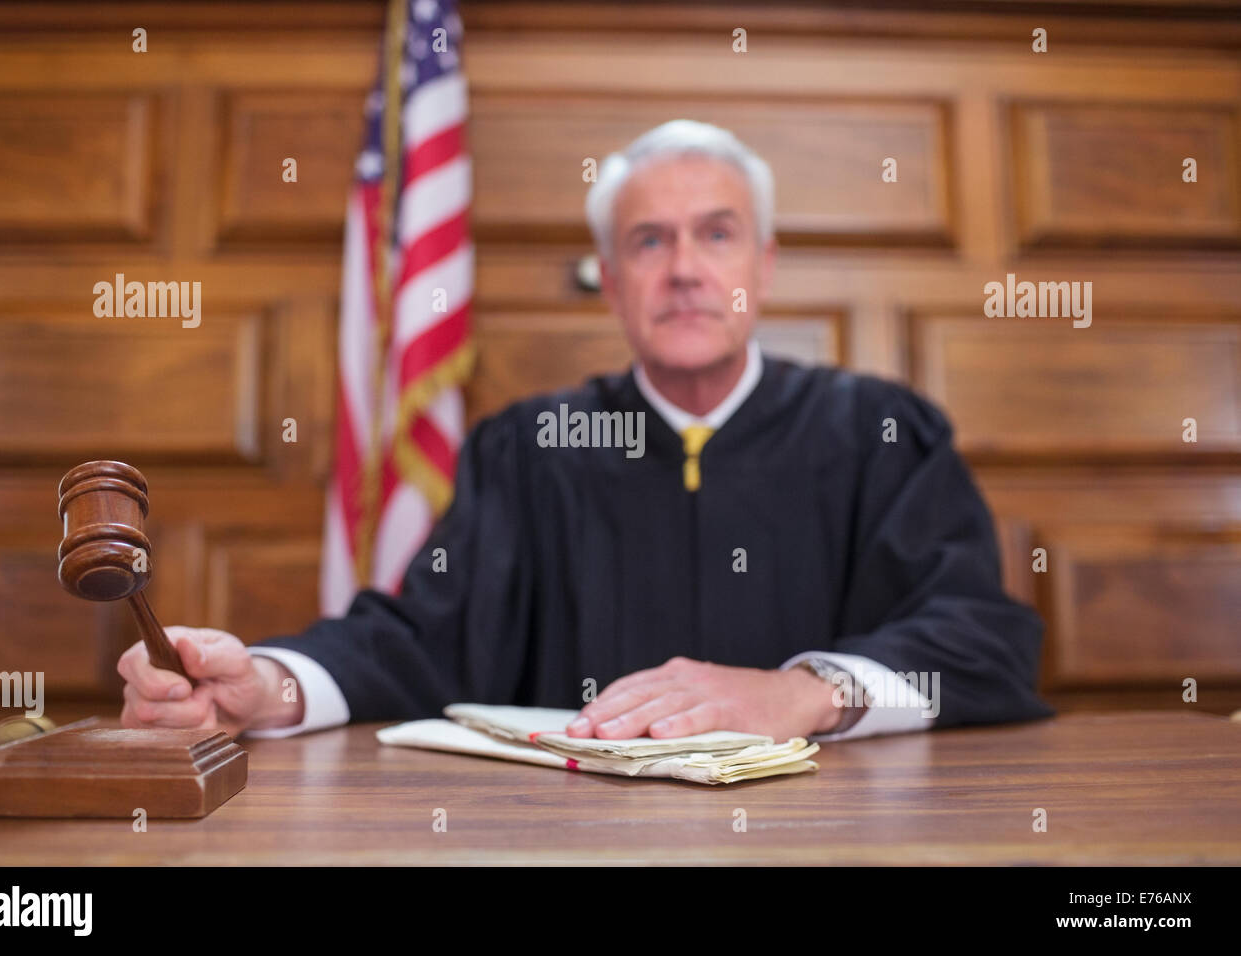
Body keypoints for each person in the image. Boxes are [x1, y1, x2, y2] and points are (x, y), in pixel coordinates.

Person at [118, 120, 1053, 744]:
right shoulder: (532, 448)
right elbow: (421, 640)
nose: (684, 269)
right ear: (608, 279)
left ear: (762, 266)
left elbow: (983, 638)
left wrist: (801, 692)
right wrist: (267, 687)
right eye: (649, 241)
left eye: (716, 234)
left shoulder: (881, 433)